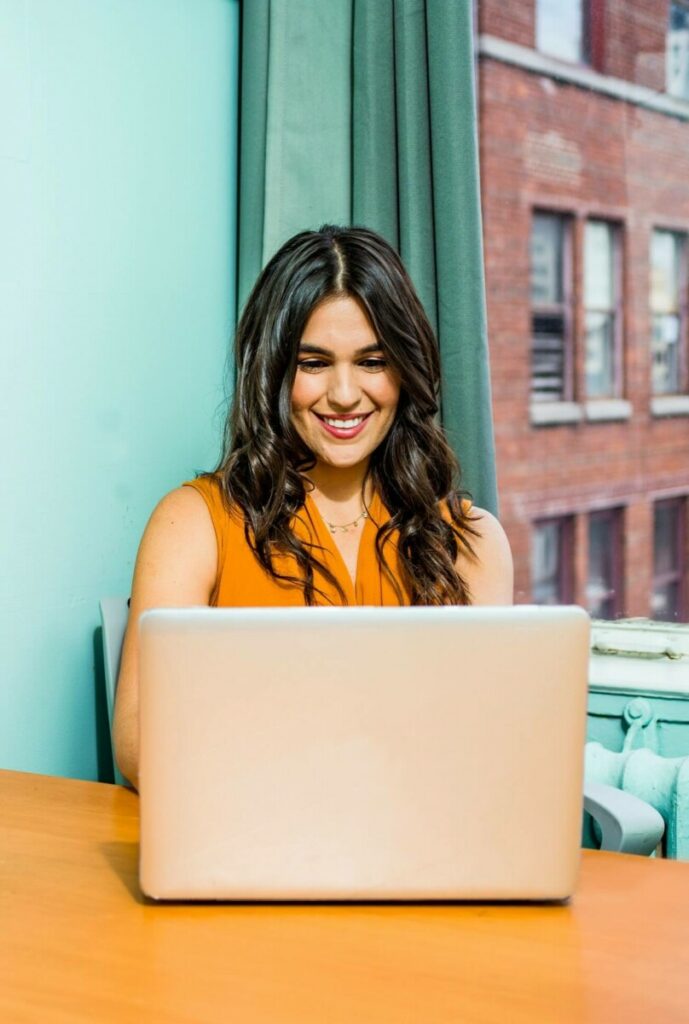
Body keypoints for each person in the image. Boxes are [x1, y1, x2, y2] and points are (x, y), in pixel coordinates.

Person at [113, 225, 513, 789]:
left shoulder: (472, 540)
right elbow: (139, 748)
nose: (346, 394)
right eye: (314, 362)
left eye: (373, 361)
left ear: (405, 369)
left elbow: (487, 749)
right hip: (249, 842)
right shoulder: (192, 524)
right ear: (274, 371)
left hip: (421, 854)